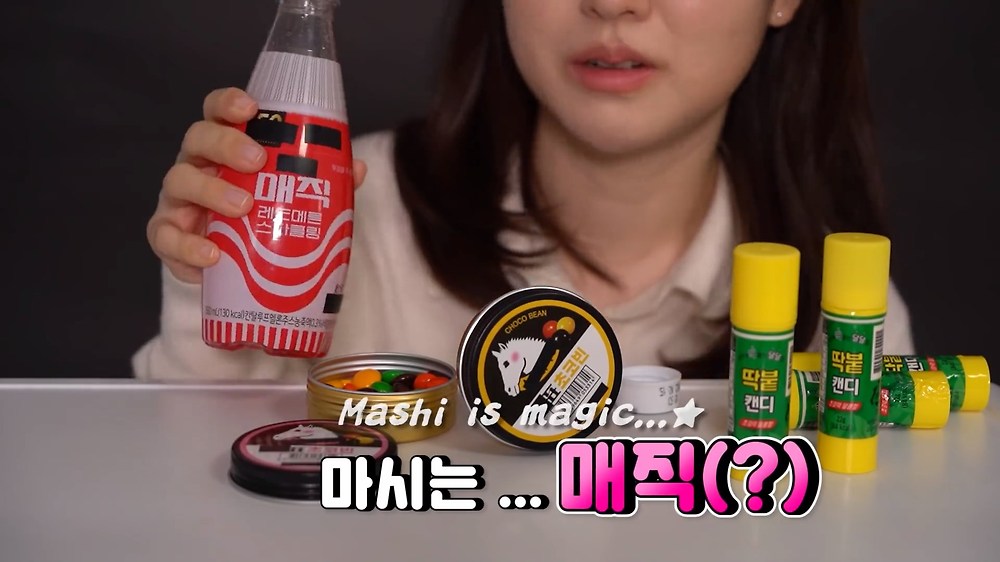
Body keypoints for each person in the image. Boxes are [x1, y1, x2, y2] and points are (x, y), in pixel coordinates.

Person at [135, 0, 915, 381]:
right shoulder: (345, 214)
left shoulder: (843, 313)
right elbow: (185, 505)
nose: (613, 3)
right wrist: (214, 288)